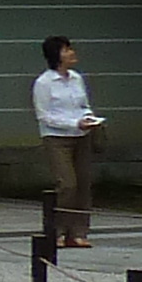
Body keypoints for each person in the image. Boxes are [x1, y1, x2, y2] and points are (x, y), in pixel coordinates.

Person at [33, 34, 105, 249]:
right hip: (57, 138)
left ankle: (79, 232)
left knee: (83, 184)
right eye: (66, 50)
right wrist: (74, 123)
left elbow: (84, 104)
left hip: (81, 136)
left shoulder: (76, 78)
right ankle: (58, 231)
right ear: (56, 55)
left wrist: (89, 117)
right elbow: (44, 115)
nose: (72, 53)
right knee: (67, 184)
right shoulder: (44, 83)